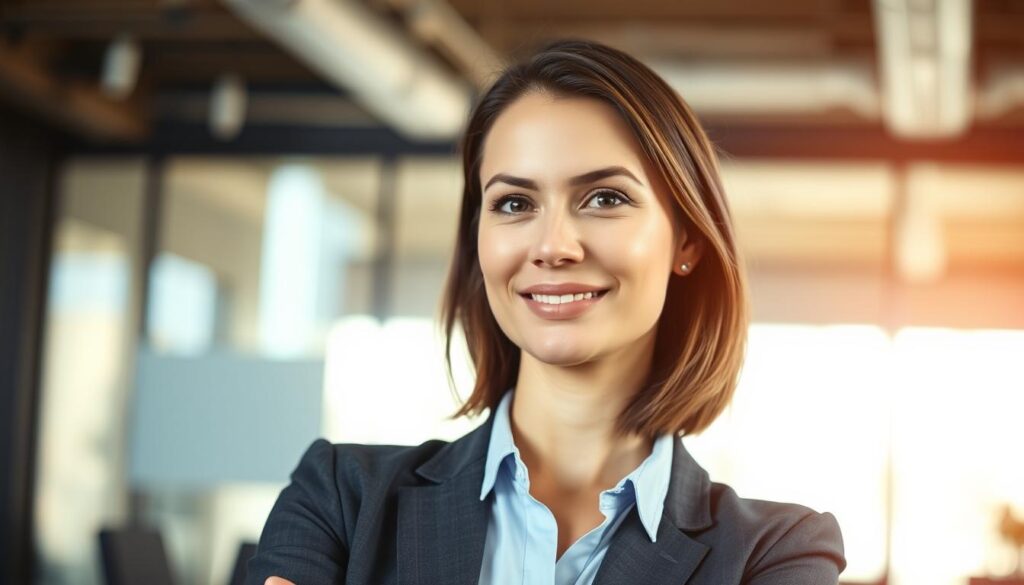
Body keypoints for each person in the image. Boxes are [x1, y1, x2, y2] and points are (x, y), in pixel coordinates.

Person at [246, 38, 846, 585]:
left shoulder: (775, 553)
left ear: (686, 240)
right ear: (478, 241)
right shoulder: (341, 501)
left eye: (605, 198)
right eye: (513, 203)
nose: (553, 245)